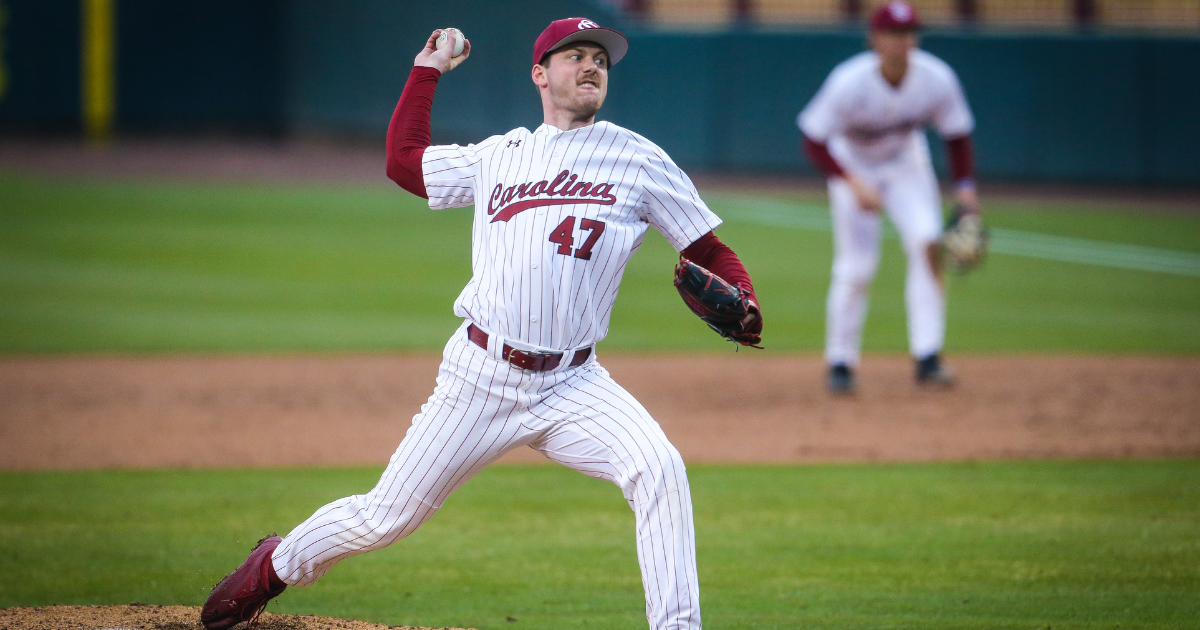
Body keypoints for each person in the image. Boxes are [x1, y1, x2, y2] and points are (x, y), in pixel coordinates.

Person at [200, 18, 761, 630]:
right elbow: (405, 164)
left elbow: (707, 250)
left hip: (575, 384)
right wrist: (426, 72)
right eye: (575, 55)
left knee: (660, 469)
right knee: (384, 518)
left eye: (601, 57)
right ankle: (274, 566)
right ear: (540, 75)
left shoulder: (638, 158)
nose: (593, 65)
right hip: (480, 377)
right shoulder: (499, 155)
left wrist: (747, 300)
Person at [797, 0, 980, 394]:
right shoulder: (849, 81)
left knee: (927, 244)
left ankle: (928, 357)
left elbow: (957, 134)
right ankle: (841, 363)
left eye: (909, 32)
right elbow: (813, 141)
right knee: (857, 267)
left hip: (906, 166)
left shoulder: (936, 77)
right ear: (875, 38)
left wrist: (966, 191)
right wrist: (851, 182)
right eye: (894, 33)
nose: (902, 41)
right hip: (853, 166)